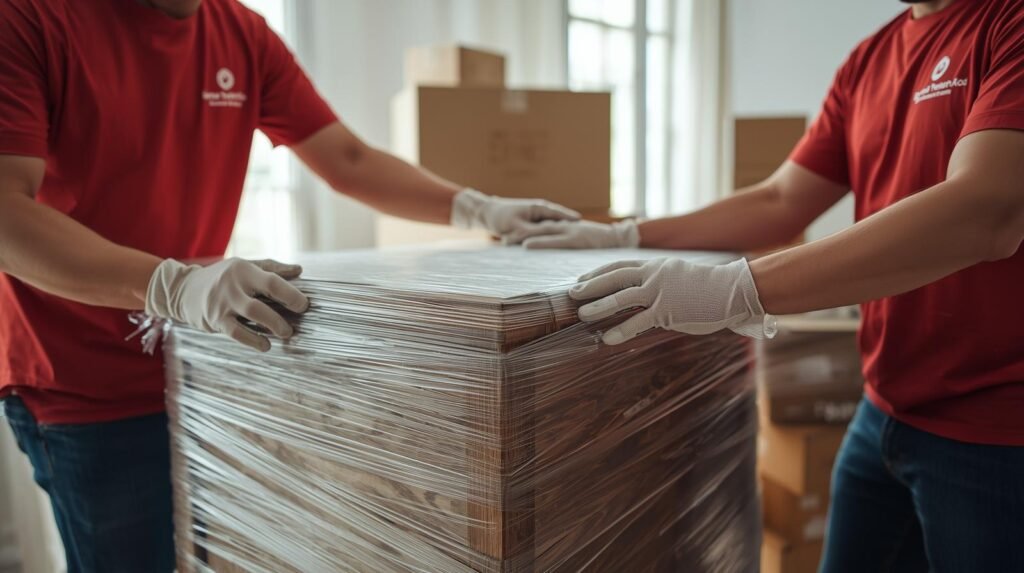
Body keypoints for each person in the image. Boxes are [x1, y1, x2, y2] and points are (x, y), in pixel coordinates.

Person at [0, 0, 577, 571]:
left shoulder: (240, 33)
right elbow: (7, 211)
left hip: (198, 359)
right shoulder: (31, 17)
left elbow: (346, 158)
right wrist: (175, 286)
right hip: (81, 378)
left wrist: (478, 210)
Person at [515, 0, 1024, 570]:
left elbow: (988, 211)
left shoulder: (1007, 23)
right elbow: (781, 200)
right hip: (883, 406)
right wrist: (624, 235)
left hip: (996, 433)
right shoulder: (870, 59)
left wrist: (732, 290)